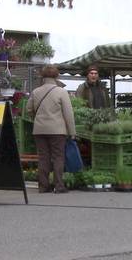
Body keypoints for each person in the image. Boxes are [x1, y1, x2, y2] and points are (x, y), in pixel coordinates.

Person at [26, 65, 76, 194]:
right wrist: (72, 132)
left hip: (39, 130)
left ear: (42, 76)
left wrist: (37, 119)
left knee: (43, 157)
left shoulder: (36, 91)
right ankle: (59, 186)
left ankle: (43, 186)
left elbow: (29, 109)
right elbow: (68, 114)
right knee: (58, 157)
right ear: (57, 76)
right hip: (57, 130)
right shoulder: (61, 92)